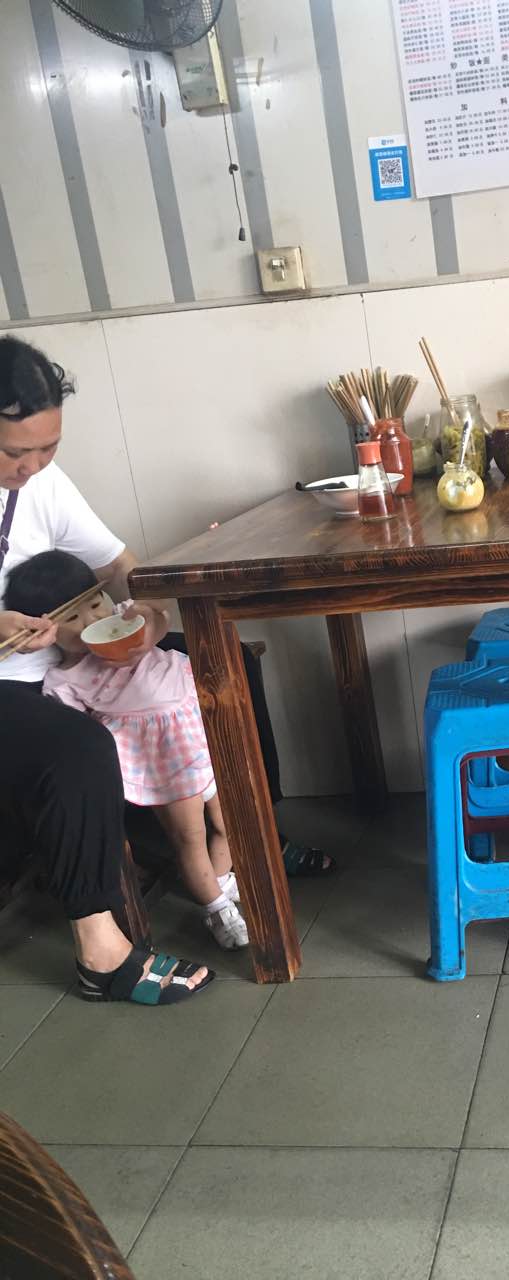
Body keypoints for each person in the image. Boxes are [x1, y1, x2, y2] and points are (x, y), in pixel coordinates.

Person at [0, 335, 329, 1005]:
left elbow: (119, 564)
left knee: (223, 661)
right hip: (12, 681)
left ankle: (251, 832)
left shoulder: (42, 483)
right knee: (76, 748)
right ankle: (101, 951)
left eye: (48, 448)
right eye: (14, 453)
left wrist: (147, 608)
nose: (32, 467)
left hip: (67, 653)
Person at [5, 550, 250, 952]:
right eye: (72, 618)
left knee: (231, 821)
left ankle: (220, 879)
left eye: (95, 604)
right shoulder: (66, 680)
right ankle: (216, 908)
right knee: (190, 838)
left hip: (200, 734)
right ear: (44, 632)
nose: (92, 621)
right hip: (161, 760)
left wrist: (151, 619)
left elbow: (157, 609)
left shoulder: (127, 620)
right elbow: (81, 739)